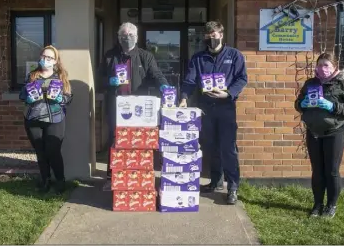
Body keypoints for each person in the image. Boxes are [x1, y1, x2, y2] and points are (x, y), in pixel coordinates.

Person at [179, 21, 247, 205]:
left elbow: (242, 78)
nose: (211, 37)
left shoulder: (234, 55)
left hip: (225, 107)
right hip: (206, 108)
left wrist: (229, 93)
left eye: (214, 34)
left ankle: (233, 187)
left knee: (228, 149)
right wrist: (184, 97)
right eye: (208, 35)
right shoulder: (199, 58)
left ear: (221, 34)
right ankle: (216, 182)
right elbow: (190, 80)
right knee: (211, 146)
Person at [98, 22, 171, 191]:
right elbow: (99, 78)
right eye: (124, 35)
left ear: (137, 37)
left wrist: (164, 86)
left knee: (139, 140)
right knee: (115, 139)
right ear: (119, 37)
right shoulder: (110, 56)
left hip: (138, 106)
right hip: (116, 104)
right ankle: (111, 176)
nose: (127, 38)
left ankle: (138, 174)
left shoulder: (145, 56)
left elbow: (156, 74)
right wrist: (109, 81)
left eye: (131, 35)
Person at [295, 53, 344, 218]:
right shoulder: (311, 83)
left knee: (331, 170)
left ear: (334, 67)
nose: (322, 69)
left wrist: (332, 106)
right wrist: (302, 104)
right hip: (314, 132)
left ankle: (331, 205)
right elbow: (298, 103)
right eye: (320, 65)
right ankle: (317, 204)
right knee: (317, 171)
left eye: (326, 65)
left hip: (334, 132)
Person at [19, 45, 73, 194]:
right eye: (43, 56)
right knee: (41, 152)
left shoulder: (61, 76)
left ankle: (60, 180)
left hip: (55, 119)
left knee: (53, 151)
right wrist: (27, 97)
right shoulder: (32, 75)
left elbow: (69, 97)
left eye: (49, 57)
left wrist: (61, 98)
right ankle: (45, 180)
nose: (45, 60)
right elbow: (22, 95)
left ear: (55, 61)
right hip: (33, 118)